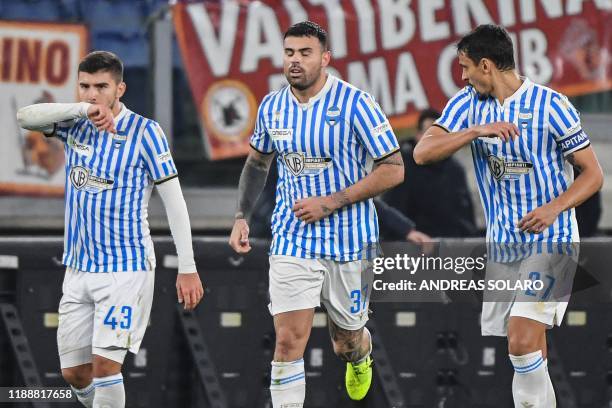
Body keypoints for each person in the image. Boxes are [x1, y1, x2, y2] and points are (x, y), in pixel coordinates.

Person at [413, 25, 603, 407]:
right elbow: (422, 153)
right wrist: (474, 131)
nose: (463, 76)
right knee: (531, 350)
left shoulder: (551, 105)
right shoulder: (467, 104)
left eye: (465, 67)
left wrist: (553, 208)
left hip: (552, 240)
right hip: (503, 247)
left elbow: (593, 174)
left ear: (486, 65)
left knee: (520, 339)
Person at [228, 21, 403, 406]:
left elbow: (393, 168)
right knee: (289, 340)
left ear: (324, 58)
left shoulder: (357, 103)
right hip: (292, 238)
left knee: (345, 343)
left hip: (351, 241)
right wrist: (241, 215)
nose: (295, 60)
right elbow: (258, 163)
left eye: (304, 53)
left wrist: (332, 201)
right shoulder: (272, 106)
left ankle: (361, 353)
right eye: (289, 52)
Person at [16, 51, 204, 408]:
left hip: (125, 269)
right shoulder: (76, 123)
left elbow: (175, 203)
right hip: (78, 267)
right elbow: (25, 117)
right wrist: (79, 110)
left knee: (105, 366)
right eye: (84, 86)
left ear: (120, 88)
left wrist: (188, 266)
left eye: (100, 87)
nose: (91, 94)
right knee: (75, 373)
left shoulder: (146, 133)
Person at [385, 109, 477, 237]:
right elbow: (392, 213)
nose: (435, 139)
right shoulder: (402, 167)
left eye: (441, 134)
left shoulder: (455, 170)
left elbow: (467, 219)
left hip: (454, 251)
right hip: (414, 249)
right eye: (429, 133)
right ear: (418, 135)